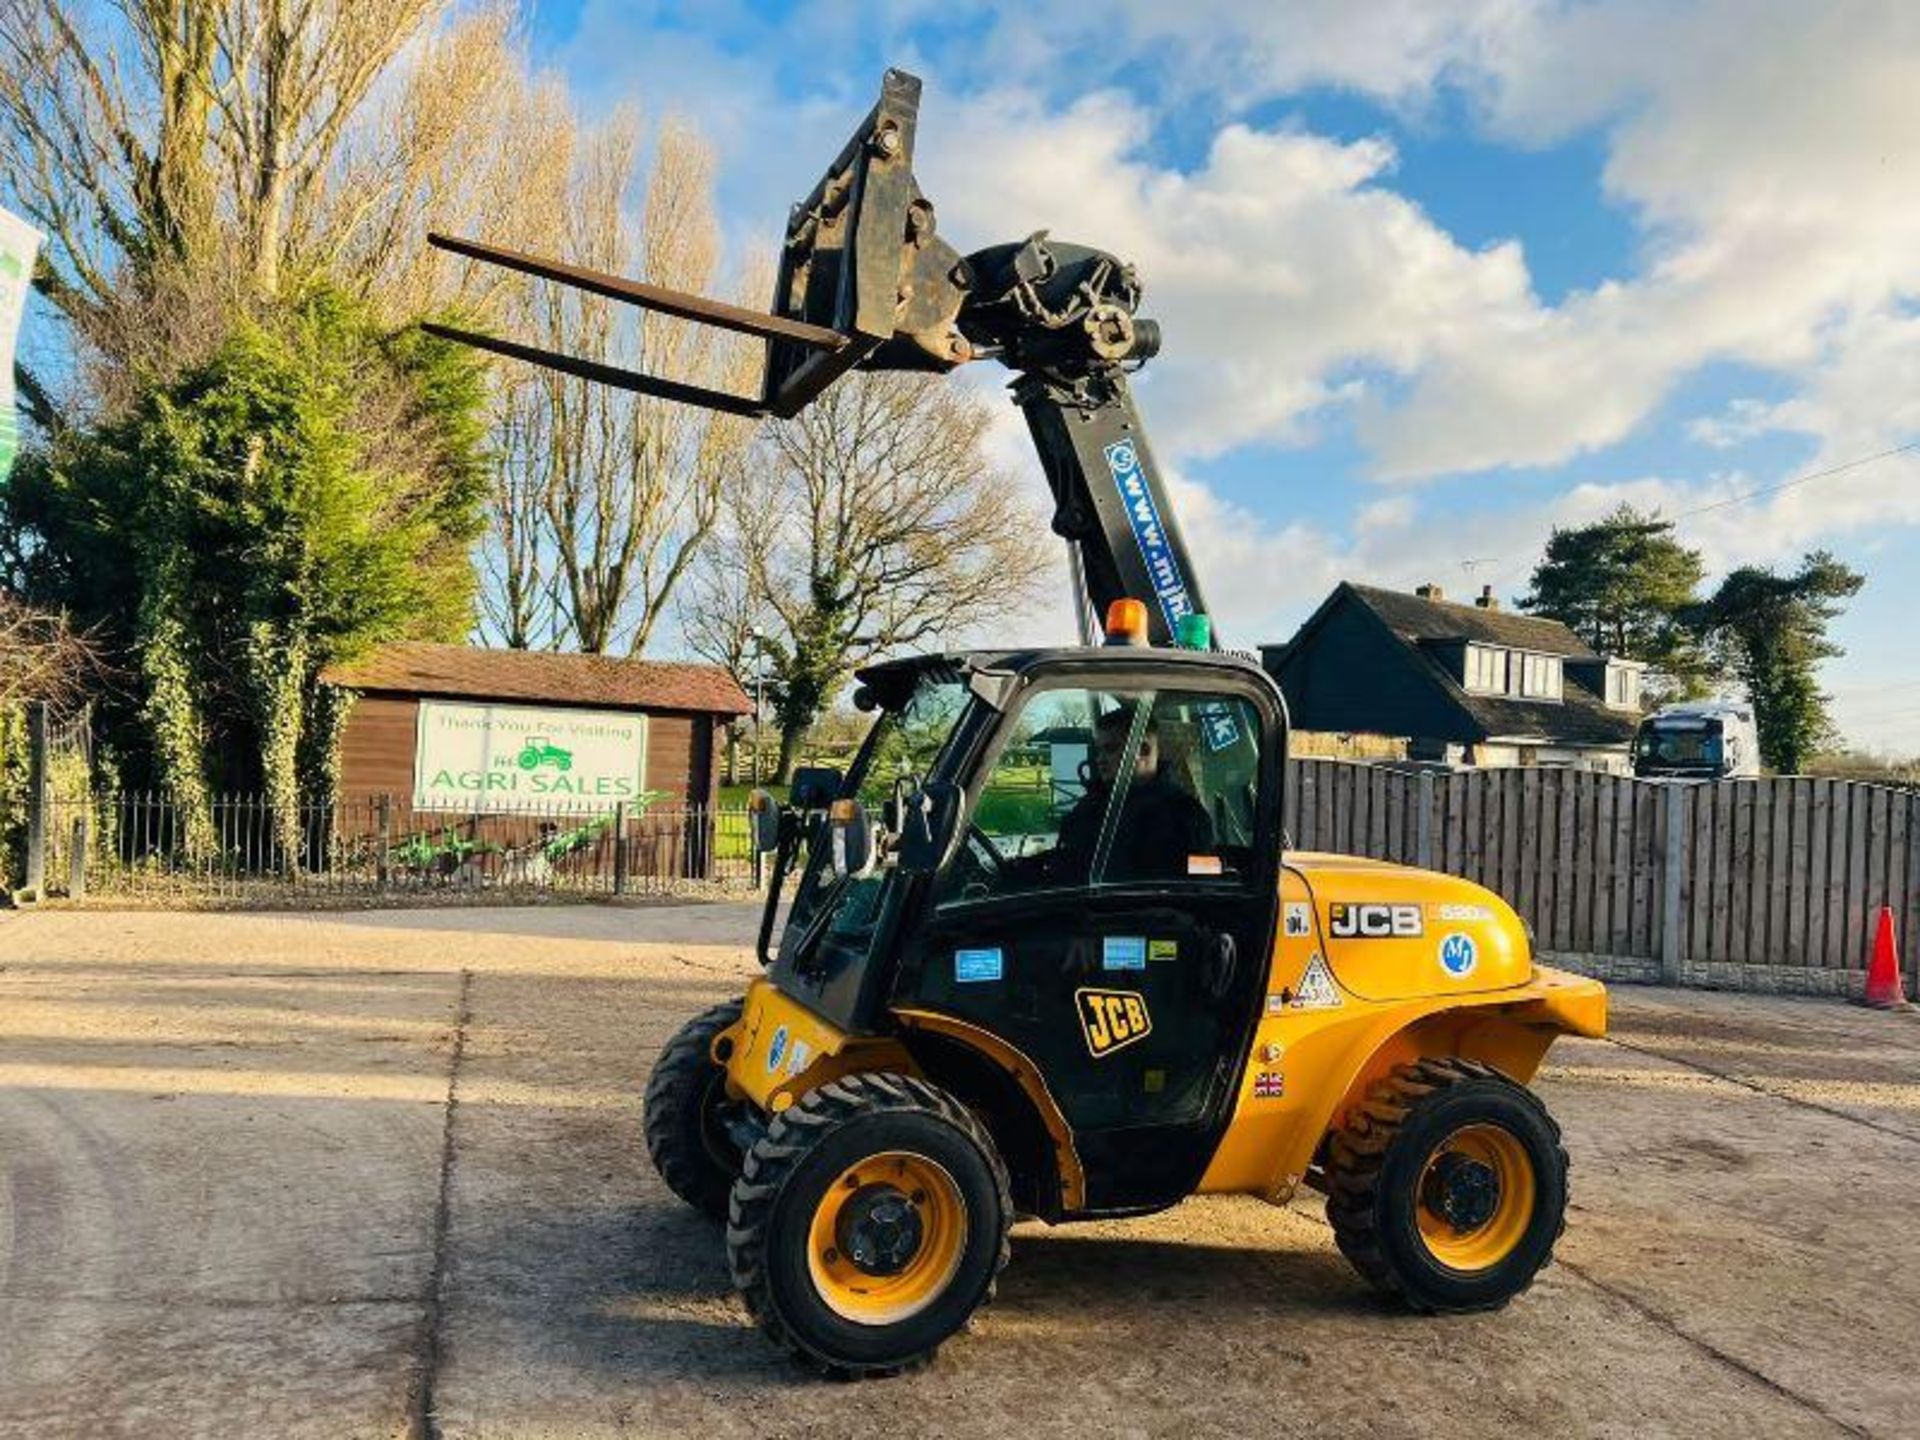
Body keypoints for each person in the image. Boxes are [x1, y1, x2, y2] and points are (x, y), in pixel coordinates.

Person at [1051, 705, 1214, 882]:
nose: (1100, 759)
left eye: (1110, 749)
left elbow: (1200, 881)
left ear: (1143, 750)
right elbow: (1069, 861)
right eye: (1099, 750)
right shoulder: (1093, 804)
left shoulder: (1185, 814)